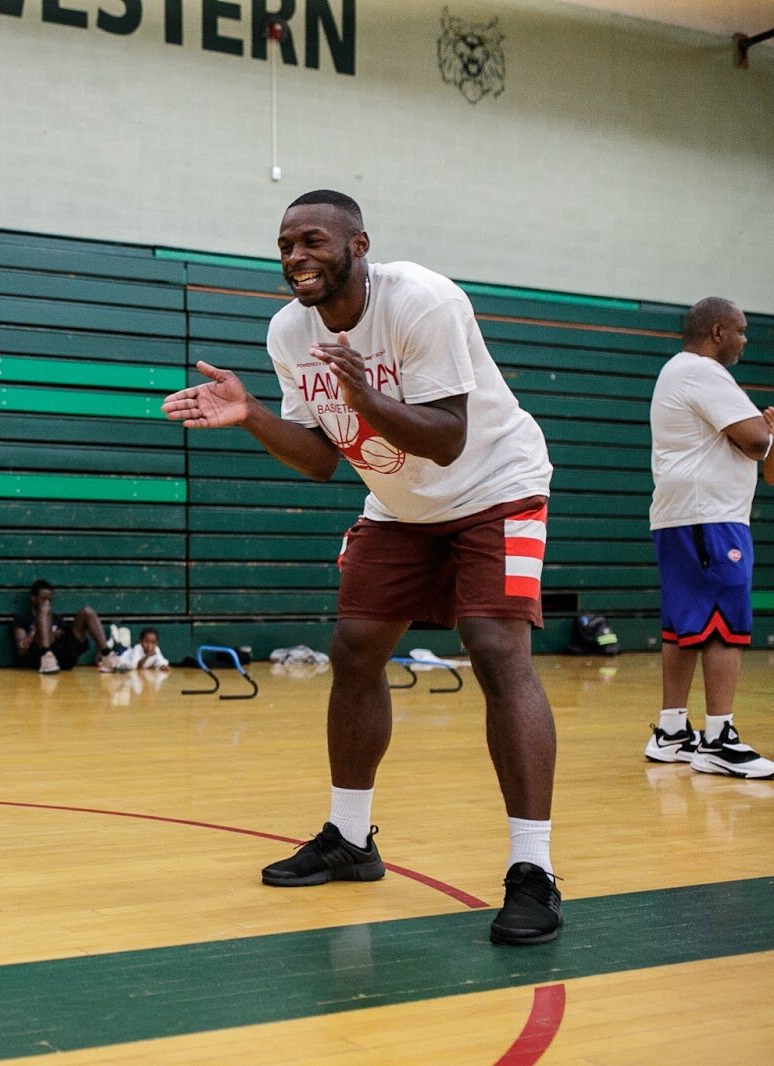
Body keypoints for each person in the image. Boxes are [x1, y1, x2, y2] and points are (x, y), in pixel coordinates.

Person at [161, 189, 561, 946]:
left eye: (312, 241)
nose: (295, 257)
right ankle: (350, 840)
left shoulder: (425, 303)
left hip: (496, 487)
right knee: (354, 647)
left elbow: (446, 439)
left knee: (494, 645)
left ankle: (532, 870)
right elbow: (318, 458)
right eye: (284, 245)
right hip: (400, 505)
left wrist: (365, 394)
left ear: (359, 244)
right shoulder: (289, 331)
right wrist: (252, 417)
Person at [644, 297, 774, 779]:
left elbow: (758, 450)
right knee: (724, 620)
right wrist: (763, 429)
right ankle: (719, 738)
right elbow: (758, 439)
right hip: (710, 518)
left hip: (684, 517)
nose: (745, 340)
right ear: (718, 331)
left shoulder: (677, 372)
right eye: (741, 331)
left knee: (684, 625)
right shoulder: (703, 372)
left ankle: (672, 730)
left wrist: (760, 434)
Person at [11, 579, 122, 674]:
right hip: (38, 659)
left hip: (62, 657)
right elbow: (21, 650)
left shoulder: (56, 618)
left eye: (49, 599)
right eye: (43, 599)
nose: (46, 603)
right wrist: (36, 635)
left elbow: (67, 637)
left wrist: (57, 634)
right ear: (33, 598)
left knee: (87, 612)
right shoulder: (22, 619)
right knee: (44, 613)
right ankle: (46, 656)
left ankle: (106, 655)